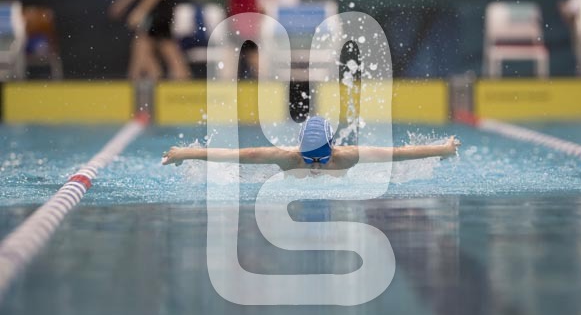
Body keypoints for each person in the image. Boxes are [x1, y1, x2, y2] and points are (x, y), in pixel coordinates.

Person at [162, 116, 460, 175]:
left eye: (320, 160)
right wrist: (185, 153)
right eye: (310, 160)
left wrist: (443, 149)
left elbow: (399, 154)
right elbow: (236, 155)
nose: (315, 167)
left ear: (333, 150)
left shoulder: (348, 157)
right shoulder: (287, 158)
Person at [108, 0, 190, 80]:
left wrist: (141, 10)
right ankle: (156, 79)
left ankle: (150, 80)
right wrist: (122, 3)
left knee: (150, 46)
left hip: (159, 12)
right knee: (151, 47)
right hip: (156, 12)